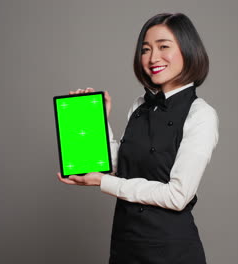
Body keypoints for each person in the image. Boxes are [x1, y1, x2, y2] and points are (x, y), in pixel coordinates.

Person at [57, 12, 218, 264]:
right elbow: (123, 166)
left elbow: (178, 196)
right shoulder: (140, 105)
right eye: (145, 49)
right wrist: (97, 125)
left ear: (188, 50)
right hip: (126, 246)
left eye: (163, 46)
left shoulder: (201, 114)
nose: (153, 58)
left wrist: (103, 183)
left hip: (171, 251)